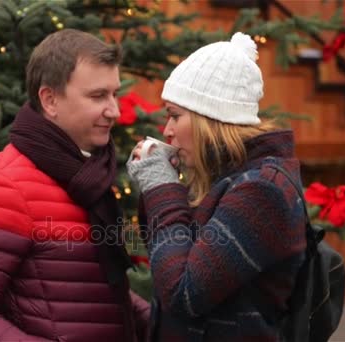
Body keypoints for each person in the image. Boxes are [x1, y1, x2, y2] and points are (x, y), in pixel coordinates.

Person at [0, 29, 149, 342]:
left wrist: (158, 324)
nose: (114, 110)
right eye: (97, 96)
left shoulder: (87, 177)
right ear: (50, 100)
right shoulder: (2, 185)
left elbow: (87, 293)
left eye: (114, 94)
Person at [126, 32, 307, 341]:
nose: (167, 130)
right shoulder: (229, 177)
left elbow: (182, 294)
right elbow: (171, 258)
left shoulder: (262, 190)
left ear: (209, 118)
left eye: (175, 116)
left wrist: (160, 186)